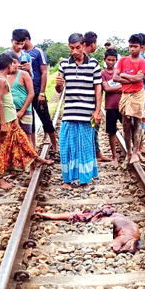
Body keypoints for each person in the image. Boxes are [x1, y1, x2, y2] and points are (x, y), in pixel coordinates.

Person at [0, 52, 52, 190]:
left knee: (23, 140)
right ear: (9, 65)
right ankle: (0, 179)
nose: (15, 65)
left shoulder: (2, 79)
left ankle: (35, 158)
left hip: (11, 119)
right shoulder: (1, 81)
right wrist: (3, 123)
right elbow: (0, 103)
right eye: (13, 63)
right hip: (6, 121)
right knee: (2, 149)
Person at [55, 33, 103, 187]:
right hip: (70, 112)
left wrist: (97, 111)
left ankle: (85, 178)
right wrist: (58, 83)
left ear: (83, 46)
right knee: (66, 146)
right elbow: (59, 89)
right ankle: (68, 179)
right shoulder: (64, 65)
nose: (74, 51)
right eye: (71, 48)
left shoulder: (94, 64)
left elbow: (98, 89)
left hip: (86, 113)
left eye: (77, 48)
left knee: (86, 147)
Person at [115, 35, 145, 164]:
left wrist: (124, 75)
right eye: (130, 46)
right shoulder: (123, 60)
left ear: (141, 47)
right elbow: (115, 77)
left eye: (135, 47)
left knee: (137, 122)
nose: (132, 49)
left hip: (138, 94)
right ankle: (129, 152)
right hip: (125, 94)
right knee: (126, 124)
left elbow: (139, 79)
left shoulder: (143, 62)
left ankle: (136, 151)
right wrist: (131, 77)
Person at [21, 29, 58, 151]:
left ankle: (55, 145)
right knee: (29, 123)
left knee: (45, 119)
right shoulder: (19, 54)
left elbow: (44, 72)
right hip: (24, 93)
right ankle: (33, 150)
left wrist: (42, 92)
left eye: (21, 41)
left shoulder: (38, 52)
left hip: (37, 91)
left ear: (26, 39)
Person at [83, 31, 111, 163]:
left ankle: (96, 152)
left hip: (83, 102)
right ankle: (95, 153)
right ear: (93, 44)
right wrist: (98, 109)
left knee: (91, 127)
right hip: (89, 102)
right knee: (93, 127)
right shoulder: (92, 62)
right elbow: (97, 87)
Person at [6, 53, 36, 147]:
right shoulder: (4, 76)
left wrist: (22, 111)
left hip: (25, 110)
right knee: (12, 137)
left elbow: (31, 94)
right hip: (11, 111)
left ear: (18, 62)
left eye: (15, 62)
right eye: (10, 63)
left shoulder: (24, 74)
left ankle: (31, 160)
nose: (13, 65)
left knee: (26, 136)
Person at [101, 49, 123, 163]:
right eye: (108, 60)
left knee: (129, 128)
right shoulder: (103, 74)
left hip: (122, 105)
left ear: (116, 60)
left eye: (113, 60)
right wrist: (120, 87)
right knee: (111, 131)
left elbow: (125, 87)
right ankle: (114, 156)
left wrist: (114, 89)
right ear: (104, 59)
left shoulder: (119, 72)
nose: (111, 62)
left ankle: (131, 152)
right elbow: (107, 89)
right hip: (110, 106)